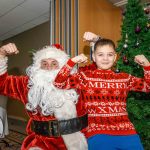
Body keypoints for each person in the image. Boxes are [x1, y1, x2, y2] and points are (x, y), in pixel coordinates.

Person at [53, 32, 150, 150]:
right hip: (98, 134)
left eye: (110, 55)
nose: (105, 58)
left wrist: (147, 66)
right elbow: (59, 83)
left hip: (127, 133)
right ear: (93, 57)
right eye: (100, 55)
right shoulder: (84, 77)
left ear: (115, 57)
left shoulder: (125, 78)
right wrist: (72, 61)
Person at [0, 43, 88, 150]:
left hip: (78, 141)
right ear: (38, 66)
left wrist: (95, 42)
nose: (49, 67)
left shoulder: (78, 82)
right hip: (41, 142)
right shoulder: (28, 84)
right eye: (44, 63)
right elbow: (2, 84)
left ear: (63, 66)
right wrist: (2, 54)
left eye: (54, 63)